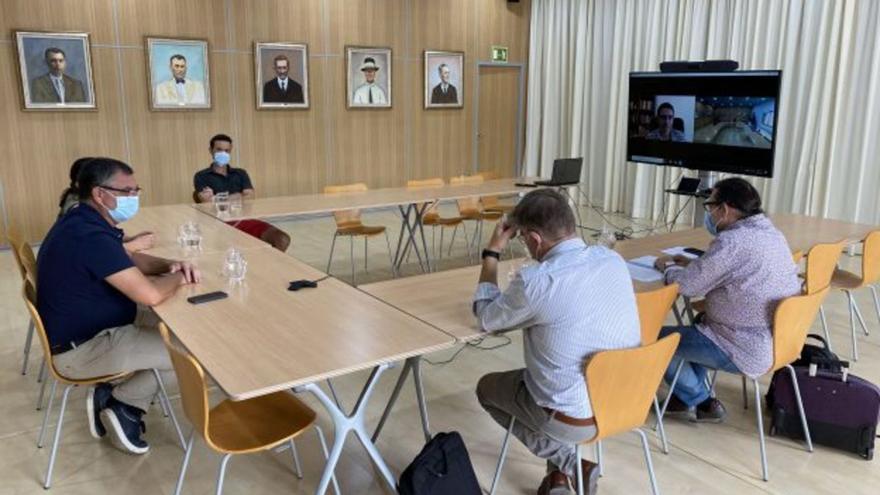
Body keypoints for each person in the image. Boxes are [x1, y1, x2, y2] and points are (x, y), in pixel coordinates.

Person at [473, 189, 641, 495]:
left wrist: (492, 252)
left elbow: (486, 317)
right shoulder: (612, 259)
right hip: (622, 399)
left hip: (572, 418)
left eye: (524, 238)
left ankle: (568, 462)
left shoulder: (538, 281)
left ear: (535, 240)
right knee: (559, 371)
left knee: (486, 388)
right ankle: (558, 479)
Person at [37, 157, 200, 454]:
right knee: (193, 351)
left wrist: (171, 265)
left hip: (91, 329)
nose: (133, 197)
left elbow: (129, 260)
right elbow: (149, 295)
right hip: (83, 350)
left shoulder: (82, 219)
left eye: (136, 190)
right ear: (100, 193)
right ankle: (124, 404)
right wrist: (180, 277)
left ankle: (111, 396)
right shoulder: (89, 235)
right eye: (126, 192)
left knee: (176, 327)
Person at [653, 178, 800, 422]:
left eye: (710, 205)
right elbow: (731, 270)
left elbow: (687, 286)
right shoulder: (771, 233)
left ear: (725, 209)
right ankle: (683, 397)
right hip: (775, 339)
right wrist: (695, 264)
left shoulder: (732, 241)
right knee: (697, 324)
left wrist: (667, 266)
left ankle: (701, 400)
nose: (709, 212)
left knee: (653, 340)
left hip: (740, 344)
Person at [193, 134, 291, 251]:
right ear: (211, 150)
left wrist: (218, 198)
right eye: (219, 150)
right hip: (220, 223)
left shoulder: (240, 173)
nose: (223, 154)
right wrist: (239, 195)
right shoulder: (201, 176)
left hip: (246, 219)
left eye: (227, 151)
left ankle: (274, 267)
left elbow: (250, 197)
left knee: (282, 238)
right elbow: (207, 202)